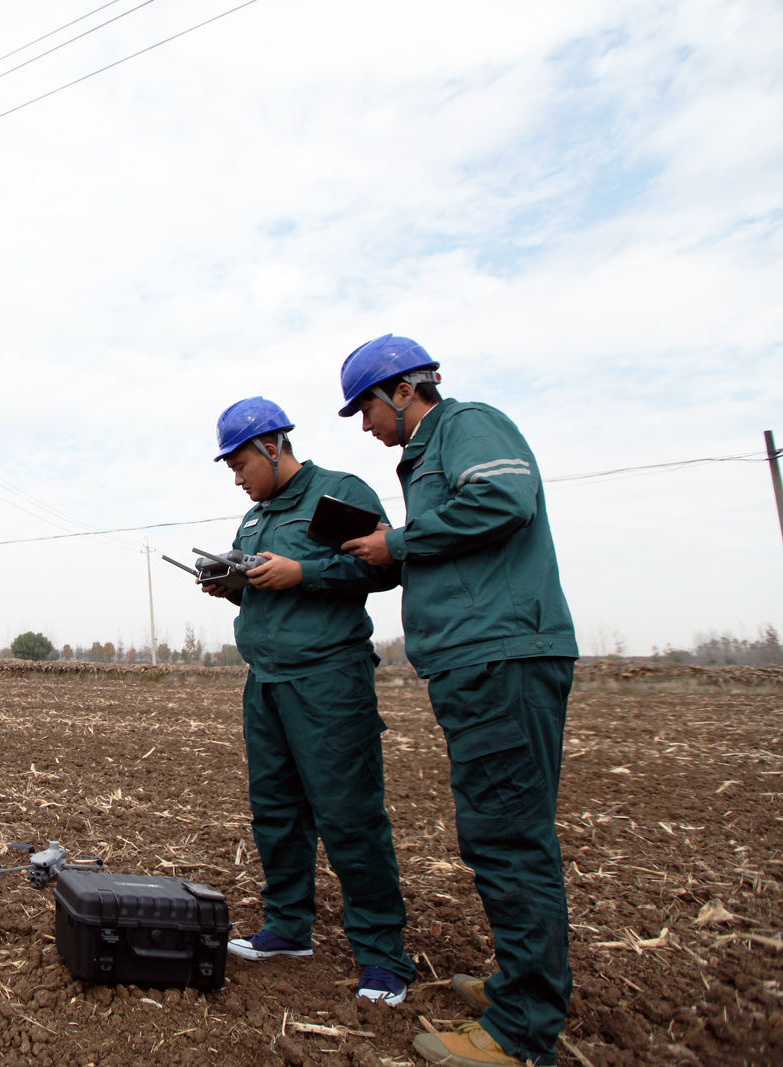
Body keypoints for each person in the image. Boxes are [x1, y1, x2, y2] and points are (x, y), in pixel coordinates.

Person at [336, 335, 577, 1067]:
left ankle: (521, 1031)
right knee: (503, 829)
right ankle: (522, 983)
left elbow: (505, 498)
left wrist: (400, 543)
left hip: (501, 654)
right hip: (479, 660)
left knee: (507, 837)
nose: (366, 427)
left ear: (404, 391)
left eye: (366, 409)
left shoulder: (469, 424)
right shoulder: (430, 451)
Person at [200, 396, 416, 1006]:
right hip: (264, 681)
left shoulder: (337, 495)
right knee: (275, 810)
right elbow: (270, 592)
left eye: (241, 464)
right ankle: (288, 929)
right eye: (231, 471)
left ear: (273, 446)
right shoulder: (253, 521)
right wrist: (235, 589)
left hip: (328, 680)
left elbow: (381, 570)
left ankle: (383, 957)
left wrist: (305, 573)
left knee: (349, 815)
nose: (238, 479)